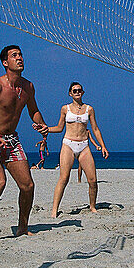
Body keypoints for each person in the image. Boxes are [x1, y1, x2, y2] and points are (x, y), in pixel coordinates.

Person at [0, 45, 50, 242]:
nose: (19, 58)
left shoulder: (28, 87)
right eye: (14, 56)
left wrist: (40, 123)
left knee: (28, 185)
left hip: (11, 140)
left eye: (21, 54)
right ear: (5, 63)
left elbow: (34, 110)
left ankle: (22, 228)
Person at [46, 82, 109, 217]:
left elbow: (95, 129)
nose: (77, 92)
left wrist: (103, 146)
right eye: (74, 91)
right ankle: (54, 210)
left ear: (83, 92)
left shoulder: (89, 109)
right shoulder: (65, 109)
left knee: (92, 180)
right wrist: (46, 129)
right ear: (70, 93)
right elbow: (59, 128)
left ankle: (92, 206)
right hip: (68, 144)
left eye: (79, 90)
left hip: (84, 146)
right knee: (64, 178)